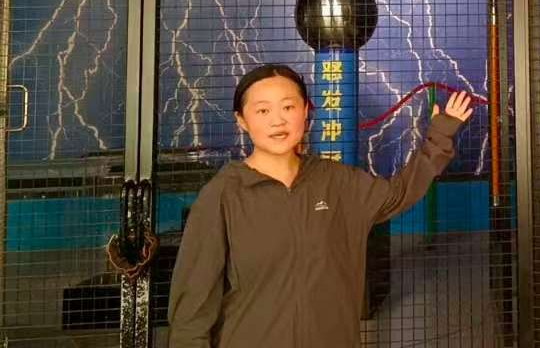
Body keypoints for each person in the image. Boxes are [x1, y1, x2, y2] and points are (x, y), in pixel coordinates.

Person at [167, 64, 473, 347]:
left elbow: (399, 193)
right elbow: (192, 309)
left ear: (305, 112)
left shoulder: (337, 181)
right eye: (262, 110)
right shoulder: (222, 196)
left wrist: (440, 136)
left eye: (288, 107)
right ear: (242, 120)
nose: (277, 120)